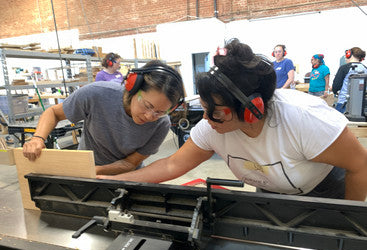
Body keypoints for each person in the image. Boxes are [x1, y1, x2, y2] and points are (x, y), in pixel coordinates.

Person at [98, 39, 367, 201]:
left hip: (325, 191)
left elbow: (360, 165)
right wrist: (120, 180)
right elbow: (171, 165)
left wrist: (348, 219)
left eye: (214, 112)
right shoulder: (212, 127)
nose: (205, 119)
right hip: (273, 192)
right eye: (204, 108)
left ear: (251, 110)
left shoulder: (302, 119)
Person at [23, 60, 185, 175]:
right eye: (147, 106)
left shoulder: (161, 124)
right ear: (132, 87)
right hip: (85, 167)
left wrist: (95, 172)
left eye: (160, 111)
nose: (150, 116)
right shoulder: (97, 94)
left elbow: (130, 163)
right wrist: (38, 138)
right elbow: (53, 113)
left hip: (126, 175)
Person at [332, 47, 367, 113]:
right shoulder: (365, 69)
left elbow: (336, 85)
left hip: (344, 103)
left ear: (349, 55)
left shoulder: (344, 68)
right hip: (360, 104)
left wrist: (335, 91)